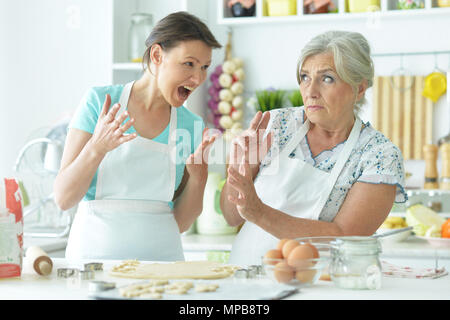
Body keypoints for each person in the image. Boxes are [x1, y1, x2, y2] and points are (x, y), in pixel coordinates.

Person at [220, 31, 407, 266]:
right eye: (305, 77)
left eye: (327, 78)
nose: (310, 91)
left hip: (320, 285)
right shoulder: (275, 126)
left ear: (359, 89)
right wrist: (244, 168)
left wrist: (258, 212)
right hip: (244, 276)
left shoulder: (378, 156)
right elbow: (230, 216)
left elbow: (344, 236)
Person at [54, 11, 222, 261]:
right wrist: (96, 148)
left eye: (205, 67)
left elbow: (182, 222)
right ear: (157, 55)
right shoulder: (100, 103)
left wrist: (198, 179)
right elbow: (64, 198)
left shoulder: (191, 126)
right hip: (93, 264)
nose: (198, 78)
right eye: (189, 63)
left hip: (163, 265)